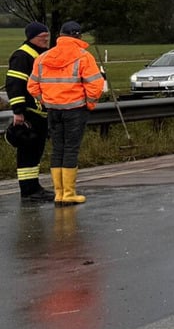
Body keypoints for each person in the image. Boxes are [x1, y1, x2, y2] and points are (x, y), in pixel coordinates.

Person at [26, 21, 104, 206]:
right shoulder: (84, 57)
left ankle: (59, 194)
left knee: (57, 149)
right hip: (75, 109)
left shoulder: (44, 57)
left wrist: (45, 100)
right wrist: (90, 104)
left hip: (53, 110)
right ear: (78, 36)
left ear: (60, 35)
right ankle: (69, 193)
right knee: (70, 149)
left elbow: (32, 85)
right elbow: (95, 85)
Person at [4, 22, 55, 202]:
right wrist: (18, 111)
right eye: (42, 37)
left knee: (36, 150)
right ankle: (28, 190)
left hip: (40, 111)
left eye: (47, 36)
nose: (46, 40)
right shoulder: (22, 56)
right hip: (28, 111)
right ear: (32, 37)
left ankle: (33, 187)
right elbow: (14, 85)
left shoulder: (40, 54)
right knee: (28, 150)